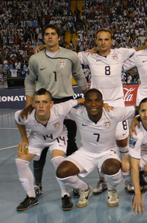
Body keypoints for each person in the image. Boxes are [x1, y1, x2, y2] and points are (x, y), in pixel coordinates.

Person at [25, 24, 88, 196]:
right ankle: (37, 184)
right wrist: (29, 103)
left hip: (67, 103)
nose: (50, 37)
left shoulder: (70, 56)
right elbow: (30, 81)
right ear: (43, 38)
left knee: (71, 144)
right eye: (46, 34)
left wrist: (88, 95)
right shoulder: (36, 59)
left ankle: (74, 180)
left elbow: (79, 76)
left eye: (53, 34)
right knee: (41, 146)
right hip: (44, 105)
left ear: (59, 37)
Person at [56, 89, 137, 208]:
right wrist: (77, 101)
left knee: (112, 168)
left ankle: (111, 190)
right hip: (86, 152)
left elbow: (139, 109)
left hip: (108, 152)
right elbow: (57, 110)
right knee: (61, 172)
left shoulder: (113, 113)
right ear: (84, 103)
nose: (93, 104)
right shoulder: (78, 113)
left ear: (102, 102)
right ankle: (84, 189)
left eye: (97, 101)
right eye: (89, 101)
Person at [78, 28, 136, 194]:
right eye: (100, 39)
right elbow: (66, 55)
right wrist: (44, 48)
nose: (103, 42)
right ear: (95, 41)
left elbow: (139, 50)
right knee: (99, 145)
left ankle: (128, 179)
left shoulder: (121, 53)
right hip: (97, 105)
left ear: (112, 41)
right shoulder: (88, 55)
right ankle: (102, 180)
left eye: (106, 39)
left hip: (117, 105)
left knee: (122, 142)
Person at [14, 88, 84, 211]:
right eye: (38, 102)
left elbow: (80, 100)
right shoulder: (26, 116)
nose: (41, 106)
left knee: (58, 160)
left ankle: (65, 195)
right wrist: (24, 139)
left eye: (45, 102)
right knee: (20, 161)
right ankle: (31, 197)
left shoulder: (60, 109)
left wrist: (101, 104)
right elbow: (17, 119)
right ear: (33, 104)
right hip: (36, 139)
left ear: (51, 104)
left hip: (57, 137)